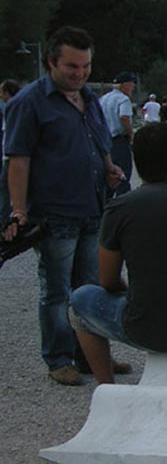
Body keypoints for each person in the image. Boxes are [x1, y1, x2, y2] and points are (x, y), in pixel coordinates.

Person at [1, 27, 128, 385]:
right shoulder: (28, 102)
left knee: (91, 288)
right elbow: (18, 160)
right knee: (57, 291)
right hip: (54, 213)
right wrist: (18, 210)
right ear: (51, 62)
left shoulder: (90, 99)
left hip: (94, 207)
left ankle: (91, 356)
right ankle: (59, 359)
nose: (80, 73)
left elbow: (99, 144)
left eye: (86, 66)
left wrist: (109, 168)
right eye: (72, 66)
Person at [68, 123, 167, 384]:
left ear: (135, 159)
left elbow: (107, 279)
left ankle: (107, 386)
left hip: (149, 328)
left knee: (79, 301)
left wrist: (129, 292)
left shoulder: (121, 208)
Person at [99, 71, 136, 197]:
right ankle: (124, 202)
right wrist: (131, 134)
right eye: (132, 83)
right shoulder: (123, 99)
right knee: (123, 176)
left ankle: (107, 203)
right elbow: (124, 117)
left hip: (105, 141)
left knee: (109, 176)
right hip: (119, 140)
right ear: (125, 85)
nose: (133, 87)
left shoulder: (103, 99)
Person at [0, 78, 21, 225]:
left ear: (8, 93)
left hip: (10, 156)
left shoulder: (13, 107)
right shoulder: (11, 106)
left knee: (5, 189)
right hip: (8, 154)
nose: (0, 95)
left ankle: (4, 221)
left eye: (2, 92)